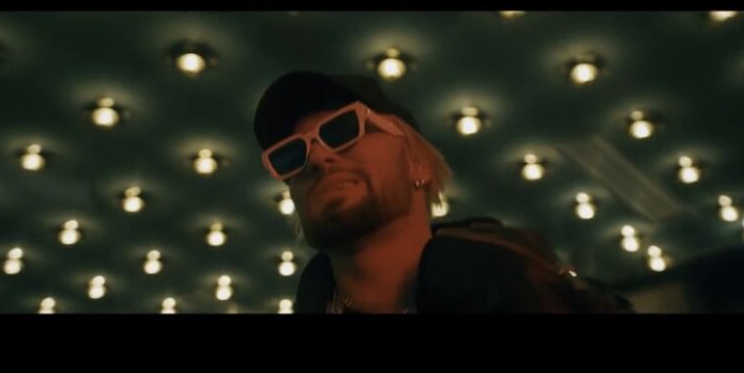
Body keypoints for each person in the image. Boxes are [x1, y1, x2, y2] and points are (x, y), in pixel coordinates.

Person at [254, 71, 633, 313]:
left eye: (342, 130)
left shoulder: (525, 292)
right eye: (290, 155)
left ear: (417, 163)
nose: (317, 158)